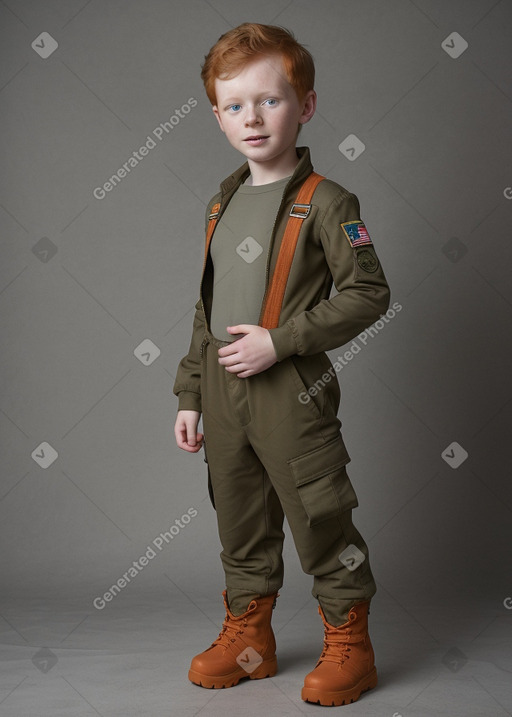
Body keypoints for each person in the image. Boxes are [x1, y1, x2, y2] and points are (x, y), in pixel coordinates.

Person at [173, 22, 390, 707]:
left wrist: (283, 339)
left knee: (321, 515)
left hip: (291, 393)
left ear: (306, 104)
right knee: (239, 519)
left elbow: (369, 292)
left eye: (270, 100)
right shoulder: (222, 201)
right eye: (235, 106)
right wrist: (189, 393)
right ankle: (250, 638)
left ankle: (350, 641)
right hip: (223, 393)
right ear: (216, 116)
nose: (253, 118)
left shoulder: (328, 201)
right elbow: (207, 311)